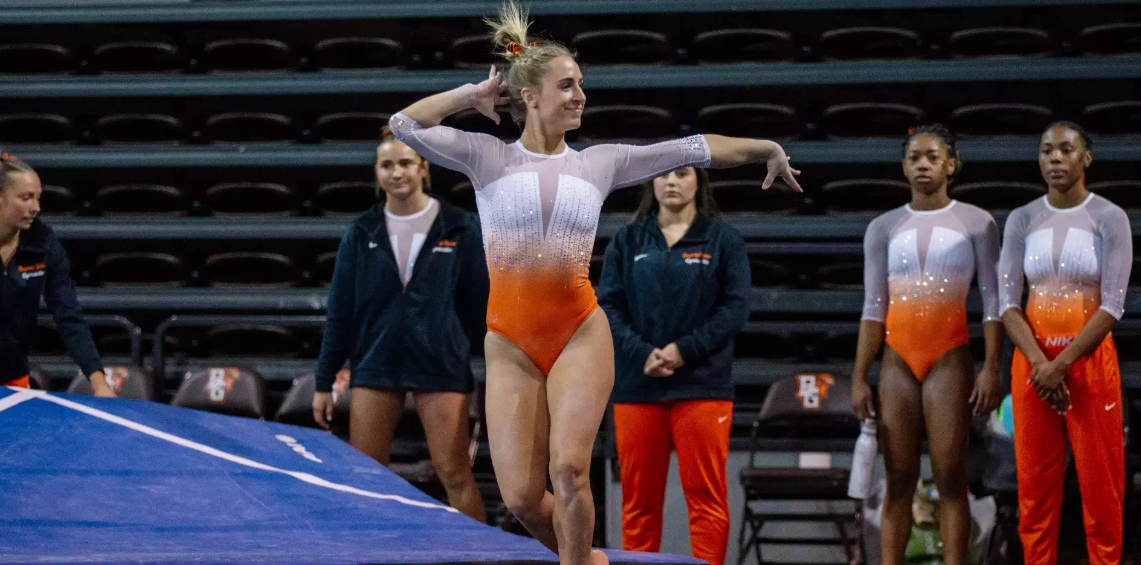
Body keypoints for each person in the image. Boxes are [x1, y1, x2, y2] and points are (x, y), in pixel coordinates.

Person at [387, 3, 801, 564]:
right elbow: (404, 125)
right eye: (567, 85)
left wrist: (765, 149)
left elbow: (693, 148)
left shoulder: (599, 163)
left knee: (569, 468)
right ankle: (585, 559)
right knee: (523, 497)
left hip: (579, 333)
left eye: (581, 84)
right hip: (509, 343)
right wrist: (472, 95)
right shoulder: (488, 158)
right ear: (530, 96)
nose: (581, 94)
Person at [312, 131, 488, 522]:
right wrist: (324, 381)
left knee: (456, 473)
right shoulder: (361, 232)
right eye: (387, 165)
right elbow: (340, 311)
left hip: (441, 363)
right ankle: (373, 555)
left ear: (424, 169)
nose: (397, 173)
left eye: (406, 163)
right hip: (376, 364)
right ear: (376, 173)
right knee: (368, 476)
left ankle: (484, 557)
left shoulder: (460, 227)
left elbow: (481, 308)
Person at [850, 125, 1002, 565]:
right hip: (897, 361)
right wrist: (860, 375)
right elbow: (873, 308)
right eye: (914, 157)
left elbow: (993, 303)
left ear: (951, 165)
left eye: (932, 157)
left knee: (951, 478)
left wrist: (992, 366)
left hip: (948, 358)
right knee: (898, 479)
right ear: (903, 165)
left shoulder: (977, 223)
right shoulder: (882, 228)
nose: (922, 164)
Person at [597, 167, 749, 565]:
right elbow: (608, 306)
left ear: (699, 181)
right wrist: (640, 352)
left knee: (706, 501)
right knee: (639, 504)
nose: (671, 182)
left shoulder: (723, 240)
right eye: (662, 174)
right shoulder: (628, 240)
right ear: (651, 183)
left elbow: (734, 309)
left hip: (702, 386)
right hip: (637, 386)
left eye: (682, 173)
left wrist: (684, 350)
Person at [998, 121, 1130, 565]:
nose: (1055, 158)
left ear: (1086, 157)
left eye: (1066, 150)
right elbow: (1007, 303)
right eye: (1046, 150)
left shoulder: (1110, 218)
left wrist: (1063, 363)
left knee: (1102, 495)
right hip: (1033, 371)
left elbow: (1112, 305)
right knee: (1034, 495)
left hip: (1088, 368)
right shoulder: (1022, 219)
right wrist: (1041, 364)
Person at [0, 151, 114, 397]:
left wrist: (99, 381)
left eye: (38, 198)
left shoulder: (43, 244)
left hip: (13, 380)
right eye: (26, 198)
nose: (36, 208)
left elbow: (68, 313)